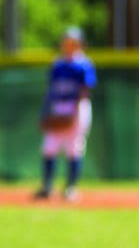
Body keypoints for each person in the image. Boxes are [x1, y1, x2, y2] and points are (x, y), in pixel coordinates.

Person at [33, 27, 95, 201]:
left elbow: (85, 90)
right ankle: (47, 186)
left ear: (80, 44)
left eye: (73, 42)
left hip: (77, 107)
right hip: (58, 107)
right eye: (66, 41)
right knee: (49, 147)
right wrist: (45, 112)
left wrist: (74, 113)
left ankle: (71, 188)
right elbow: (51, 90)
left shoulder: (83, 64)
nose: (68, 45)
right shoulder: (58, 64)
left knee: (74, 148)